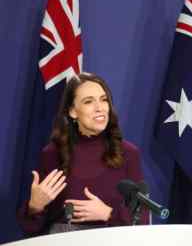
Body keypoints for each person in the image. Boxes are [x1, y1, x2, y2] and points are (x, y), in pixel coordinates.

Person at [17, 72, 147, 235]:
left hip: (114, 239)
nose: (100, 108)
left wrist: (108, 214)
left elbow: (142, 217)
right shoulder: (52, 154)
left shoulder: (128, 153)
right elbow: (32, 229)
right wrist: (34, 206)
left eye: (104, 99)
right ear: (73, 111)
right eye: (88, 102)